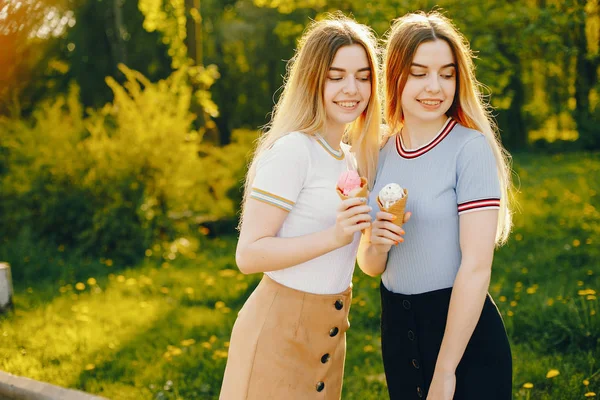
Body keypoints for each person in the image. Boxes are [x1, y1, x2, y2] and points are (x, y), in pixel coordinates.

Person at [219, 14, 381, 400]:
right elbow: (249, 254)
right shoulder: (294, 150)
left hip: (329, 335)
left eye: (362, 76)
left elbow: (355, 259)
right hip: (278, 334)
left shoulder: (350, 159)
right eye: (336, 75)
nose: (351, 88)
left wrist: (380, 238)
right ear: (312, 79)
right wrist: (334, 236)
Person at [357, 11, 513, 400]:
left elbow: (477, 268)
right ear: (395, 76)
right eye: (419, 72)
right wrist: (375, 242)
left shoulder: (470, 148)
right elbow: (372, 266)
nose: (435, 86)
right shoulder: (378, 152)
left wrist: (445, 372)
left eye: (446, 73)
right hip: (396, 328)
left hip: (462, 337)